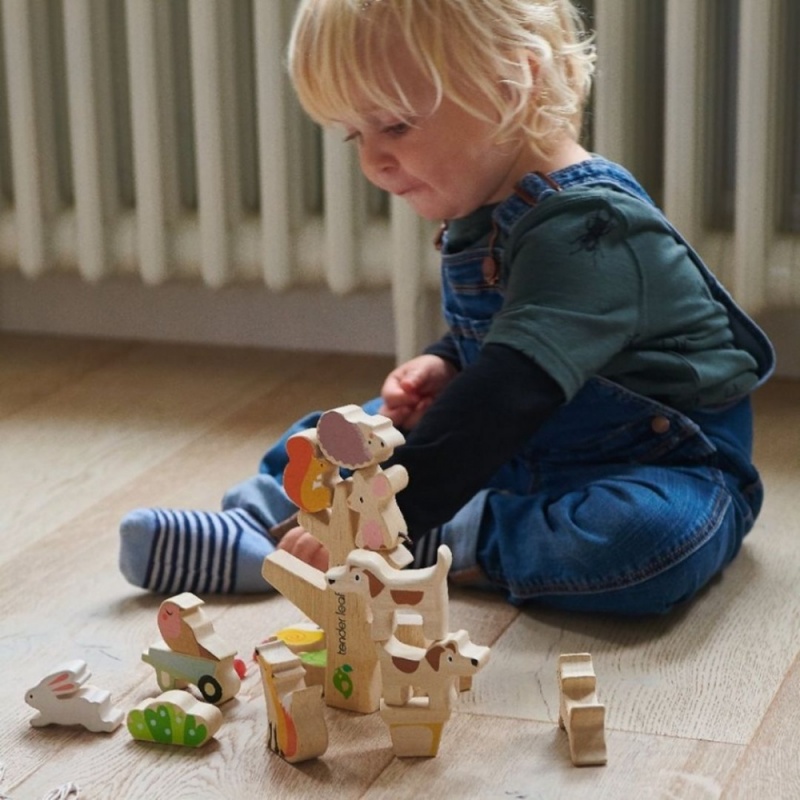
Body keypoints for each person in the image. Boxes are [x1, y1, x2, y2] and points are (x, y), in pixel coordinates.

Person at [119, 0, 774, 615]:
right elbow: (506, 345)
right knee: (344, 430)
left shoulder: (591, 227)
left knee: (649, 541)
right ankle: (259, 522)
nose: (374, 160)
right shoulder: (482, 201)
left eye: (396, 125)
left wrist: (387, 518)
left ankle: (442, 535)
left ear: (510, 83)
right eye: (354, 137)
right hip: (514, 442)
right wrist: (447, 363)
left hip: (648, 464)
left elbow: (510, 390)